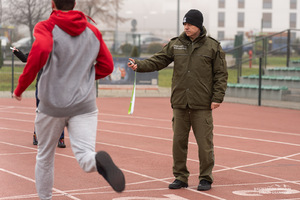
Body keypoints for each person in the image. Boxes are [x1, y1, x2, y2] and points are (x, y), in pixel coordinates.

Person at [12, 0, 125, 199]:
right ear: (74, 3)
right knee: (84, 155)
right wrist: (82, 79)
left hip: (51, 107)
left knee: (45, 157)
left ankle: (45, 198)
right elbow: (107, 66)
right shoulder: (92, 31)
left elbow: (41, 51)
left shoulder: (46, 26)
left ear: (52, 4)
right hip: (84, 105)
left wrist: (21, 87)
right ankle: (96, 161)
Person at [128, 9, 228, 191]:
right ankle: (180, 177)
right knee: (178, 143)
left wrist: (217, 97)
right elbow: (158, 60)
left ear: (199, 25)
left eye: (189, 24)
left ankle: (205, 178)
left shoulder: (212, 46)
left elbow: (221, 74)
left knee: (205, 145)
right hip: (180, 102)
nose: (186, 27)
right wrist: (139, 65)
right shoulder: (176, 44)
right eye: (184, 24)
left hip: (202, 104)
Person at [12, 47, 66, 148]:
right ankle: (36, 136)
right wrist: (17, 52)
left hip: (56, 88)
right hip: (42, 88)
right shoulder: (40, 48)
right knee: (40, 113)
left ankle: (60, 138)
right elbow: (26, 58)